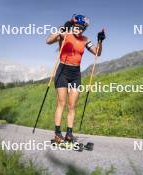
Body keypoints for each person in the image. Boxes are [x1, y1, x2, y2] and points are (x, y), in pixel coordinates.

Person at [46, 14, 106, 143]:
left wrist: (100, 41)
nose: (79, 30)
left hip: (75, 74)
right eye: (77, 27)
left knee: (72, 105)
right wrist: (61, 30)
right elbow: (49, 41)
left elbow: (97, 53)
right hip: (62, 71)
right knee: (61, 103)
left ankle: (69, 134)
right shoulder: (65, 34)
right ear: (73, 25)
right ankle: (57, 133)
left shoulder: (85, 39)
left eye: (82, 28)